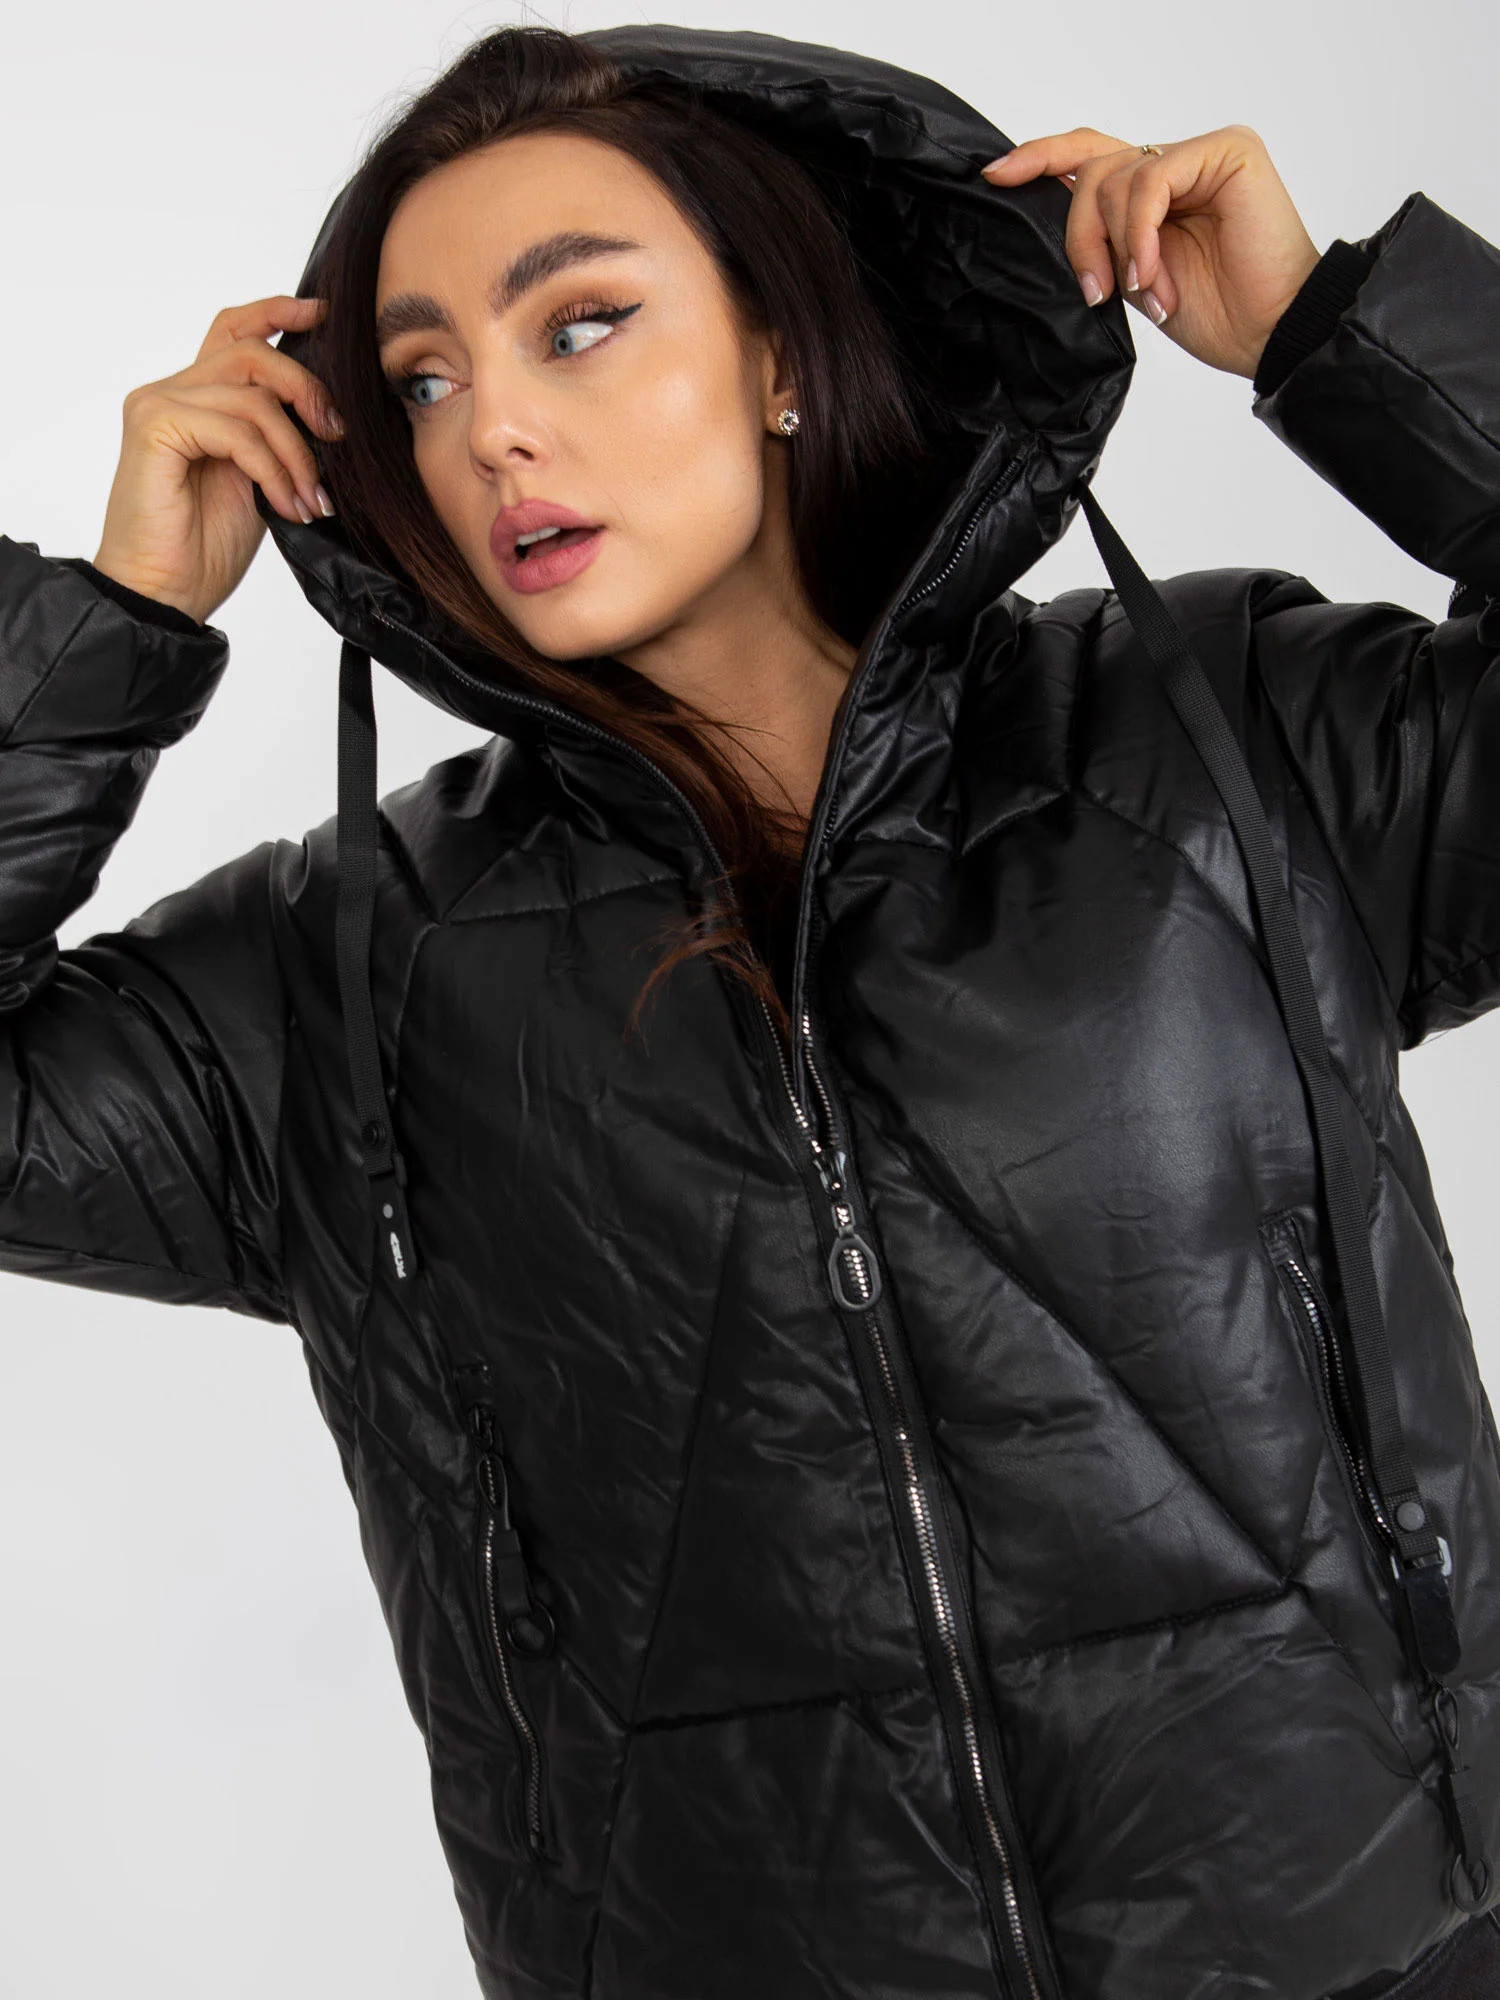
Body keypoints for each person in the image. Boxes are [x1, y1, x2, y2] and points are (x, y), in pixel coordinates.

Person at [3, 19, 1499, 1999]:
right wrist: (109, 626)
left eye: (580, 325)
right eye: (424, 380)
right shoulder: (347, 964)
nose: (489, 432)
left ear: (782, 352)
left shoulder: (1218, 731)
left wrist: (1337, 330)